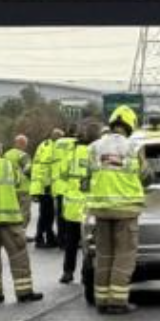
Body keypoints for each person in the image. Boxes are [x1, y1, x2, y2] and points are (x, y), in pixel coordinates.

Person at [86, 106, 145, 314]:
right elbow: (146, 175)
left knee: (104, 255)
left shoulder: (93, 147)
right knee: (124, 255)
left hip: (101, 209)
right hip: (125, 209)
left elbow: (87, 176)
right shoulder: (134, 147)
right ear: (130, 125)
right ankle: (118, 302)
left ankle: (101, 301)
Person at [0, 139, 43, 304]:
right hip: (9, 219)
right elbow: (19, 183)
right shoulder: (8, 166)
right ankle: (24, 292)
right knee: (18, 255)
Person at [59, 121, 99, 284]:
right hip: (89, 206)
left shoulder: (72, 151)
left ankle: (68, 272)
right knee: (88, 244)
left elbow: (62, 172)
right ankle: (85, 274)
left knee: (71, 242)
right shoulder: (95, 152)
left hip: (71, 204)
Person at [29, 128, 61, 248]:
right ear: (56, 137)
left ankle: (48, 237)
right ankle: (41, 238)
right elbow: (47, 168)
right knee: (46, 215)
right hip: (45, 186)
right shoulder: (51, 147)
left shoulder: (43, 145)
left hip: (41, 185)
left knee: (46, 214)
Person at [51, 123, 78, 249]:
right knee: (72, 215)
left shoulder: (57, 143)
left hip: (58, 184)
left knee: (60, 215)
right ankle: (71, 241)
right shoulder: (76, 143)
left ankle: (61, 240)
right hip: (70, 184)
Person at [3, 134, 32, 233]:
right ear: (22, 144)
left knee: (13, 214)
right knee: (25, 214)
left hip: (10, 189)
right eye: (25, 144)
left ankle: (13, 233)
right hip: (23, 189)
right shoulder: (22, 155)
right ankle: (21, 234)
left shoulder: (6, 155)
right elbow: (28, 170)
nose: (26, 146)